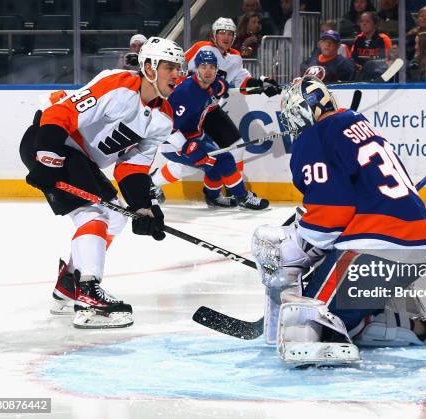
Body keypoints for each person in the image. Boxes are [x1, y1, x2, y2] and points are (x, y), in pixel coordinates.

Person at [251, 76, 426, 365]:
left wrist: (295, 251)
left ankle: (351, 331)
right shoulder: (356, 123)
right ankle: (413, 325)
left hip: (376, 246)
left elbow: (329, 219)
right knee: (342, 312)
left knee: (308, 321)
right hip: (418, 243)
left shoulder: (315, 136)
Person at [18, 37, 185, 329]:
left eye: (179, 68)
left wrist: (144, 209)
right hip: (51, 142)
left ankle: (70, 284)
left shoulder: (163, 119)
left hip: (82, 160)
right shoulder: (118, 85)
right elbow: (61, 113)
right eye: (170, 67)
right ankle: (88, 294)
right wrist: (46, 157)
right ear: (149, 67)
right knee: (93, 214)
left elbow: (132, 168)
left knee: (116, 219)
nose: (177, 75)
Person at [163, 17, 280, 205]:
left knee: (236, 146)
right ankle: (154, 183)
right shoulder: (202, 48)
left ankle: (234, 190)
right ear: (214, 35)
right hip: (190, 107)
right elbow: (178, 64)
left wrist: (262, 84)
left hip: (210, 109)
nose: (225, 37)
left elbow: (241, 82)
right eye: (221, 33)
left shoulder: (234, 57)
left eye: (229, 34)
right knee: (188, 162)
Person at [151, 51, 269, 210]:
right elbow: (167, 126)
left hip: (194, 136)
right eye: (203, 66)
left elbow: (214, 91)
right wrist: (186, 147)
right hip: (173, 143)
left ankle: (213, 198)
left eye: (212, 67)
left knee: (211, 165)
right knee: (224, 159)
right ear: (196, 68)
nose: (207, 71)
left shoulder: (207, 85)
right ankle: (242, 196)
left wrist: (219, 86)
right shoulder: (186, 93)